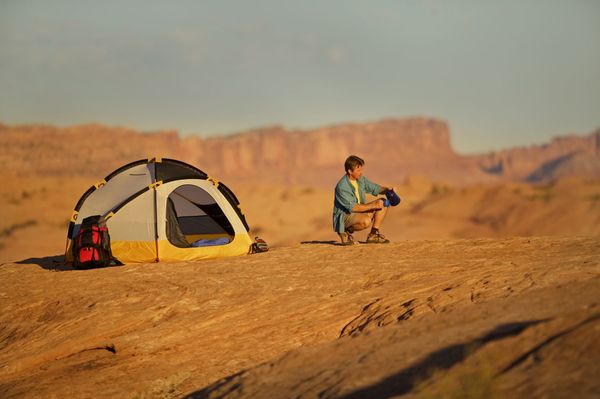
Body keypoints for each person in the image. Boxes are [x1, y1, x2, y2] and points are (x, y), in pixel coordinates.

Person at [332, 155, 396, 245]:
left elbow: (375, 188)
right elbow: (354, 208)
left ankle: (373, 235)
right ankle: (345, 231)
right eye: (358, 170)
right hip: (345, 216)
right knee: (366, 221)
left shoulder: (360, 179)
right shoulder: (342, 187)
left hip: (358, 212)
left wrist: (387, 190)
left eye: (361, 170)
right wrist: (374, 205)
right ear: (350, 171)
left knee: (383, 203)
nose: (361, 172)